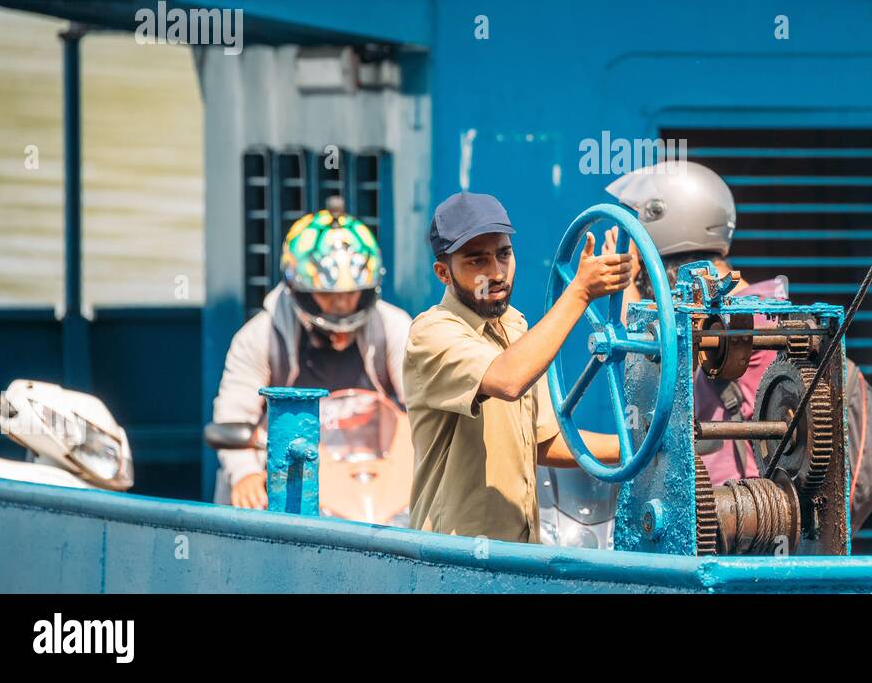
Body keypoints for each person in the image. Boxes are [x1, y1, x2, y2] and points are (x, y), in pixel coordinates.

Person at [606, 161, 872, 531]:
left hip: (731, 537)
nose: (642, 277)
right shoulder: (771, 314)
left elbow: (645, 373)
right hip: (768, 536)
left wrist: (624, 286)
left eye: (643, 264)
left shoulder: (722, 325)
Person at [404, 191, 627, 542]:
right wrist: (581, 293)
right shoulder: (432, 333)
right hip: (452, 561)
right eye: (476, 261)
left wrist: (635, 446)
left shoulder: (514, 327)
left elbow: (542, 443)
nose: (495, 273)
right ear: (443, 273)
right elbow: (508, 380)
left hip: (518, 557)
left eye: (504, 254)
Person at [211, 199, 411, 509]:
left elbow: (422, 405)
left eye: (350, 294)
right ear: (299, 288)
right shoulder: (259, 337)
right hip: (284, 480)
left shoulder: (395, 328)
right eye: (330, 296)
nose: (342, 306)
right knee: (241, 495)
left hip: (375, 483)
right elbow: (232, 417)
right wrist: (245, 475)